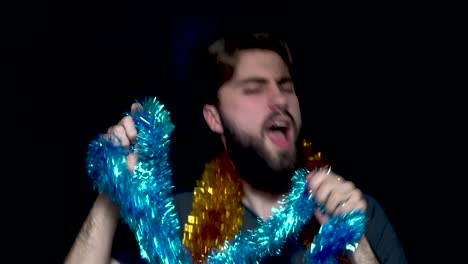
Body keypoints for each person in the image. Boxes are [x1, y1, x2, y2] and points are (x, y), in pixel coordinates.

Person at [64, 31, 407, 264]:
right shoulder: (176, 222)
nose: (279, 100)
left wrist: (354, 243)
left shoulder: (358, 213)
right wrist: (116, 186)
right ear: (214, 119)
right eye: (254, 89)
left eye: (286, 86)